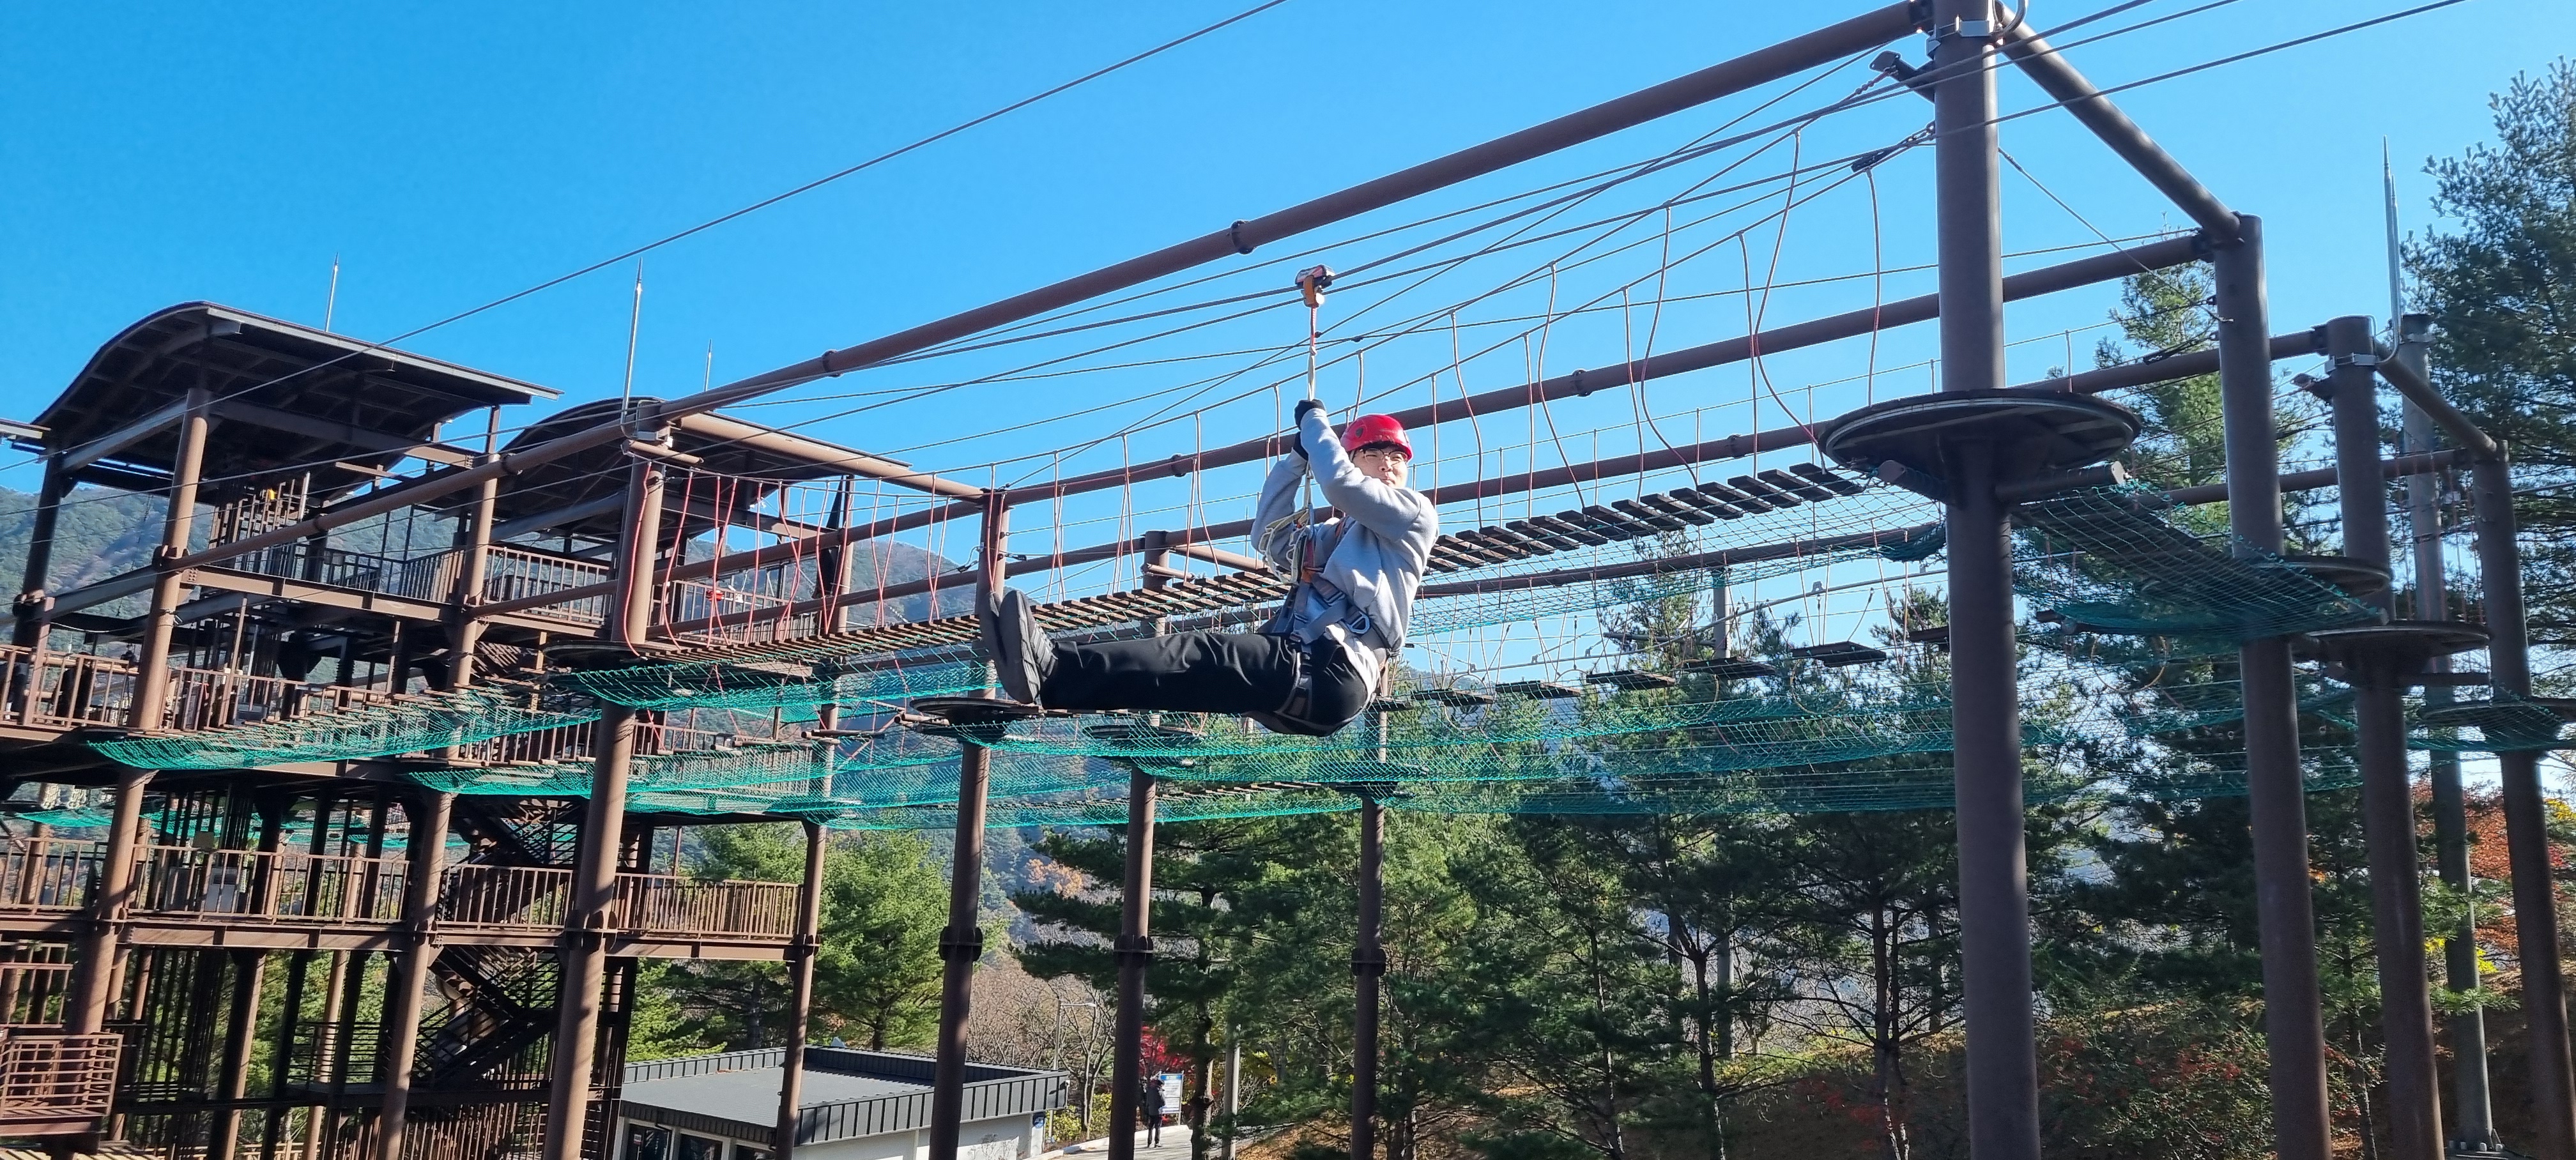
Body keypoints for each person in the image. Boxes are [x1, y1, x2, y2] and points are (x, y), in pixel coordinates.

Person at [981, 401, 1437, 737]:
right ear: (1355, 458)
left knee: (1199, 652)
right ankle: (1053, 685)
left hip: (1333, 670)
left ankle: (1055, 669)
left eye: (1397, 457)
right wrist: (1296, 459)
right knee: (1187, 678)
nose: (1388, 465)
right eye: (1374, 455)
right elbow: (1269, 538)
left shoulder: (1413, 515)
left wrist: (1315, 423)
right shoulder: (1329, 536)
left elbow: (1339, 483)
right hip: (1304, 674)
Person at [1139, 1076, 1164, 1147]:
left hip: (1151, 1111)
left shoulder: (1149, 1091)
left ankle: (1149, 1142)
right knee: (1158, 1127)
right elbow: (1163, 1102)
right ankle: (1157, 1142)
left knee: (1151, 1127)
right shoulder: (1159, 1091)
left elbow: (1147, 1102)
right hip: (1158, 1111)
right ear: (1161, 1085)